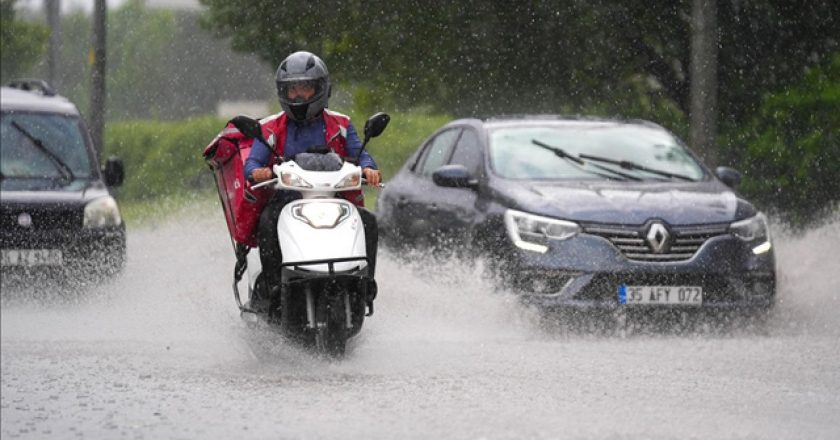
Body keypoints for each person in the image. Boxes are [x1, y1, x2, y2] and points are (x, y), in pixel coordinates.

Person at [241, 51, 380, 309]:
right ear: (283, 92)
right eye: (292, 89)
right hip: (286, 201)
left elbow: (362, 155)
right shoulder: (270, 127)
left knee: (368, 221)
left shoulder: (341, 123)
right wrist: (257, 172)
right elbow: (252, 163)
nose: (299, 96)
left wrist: (369, 170)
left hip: (333, 198)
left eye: (305, 87)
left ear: (321, 89)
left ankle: (365, 285)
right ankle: (274, 288)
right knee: (268, 221)